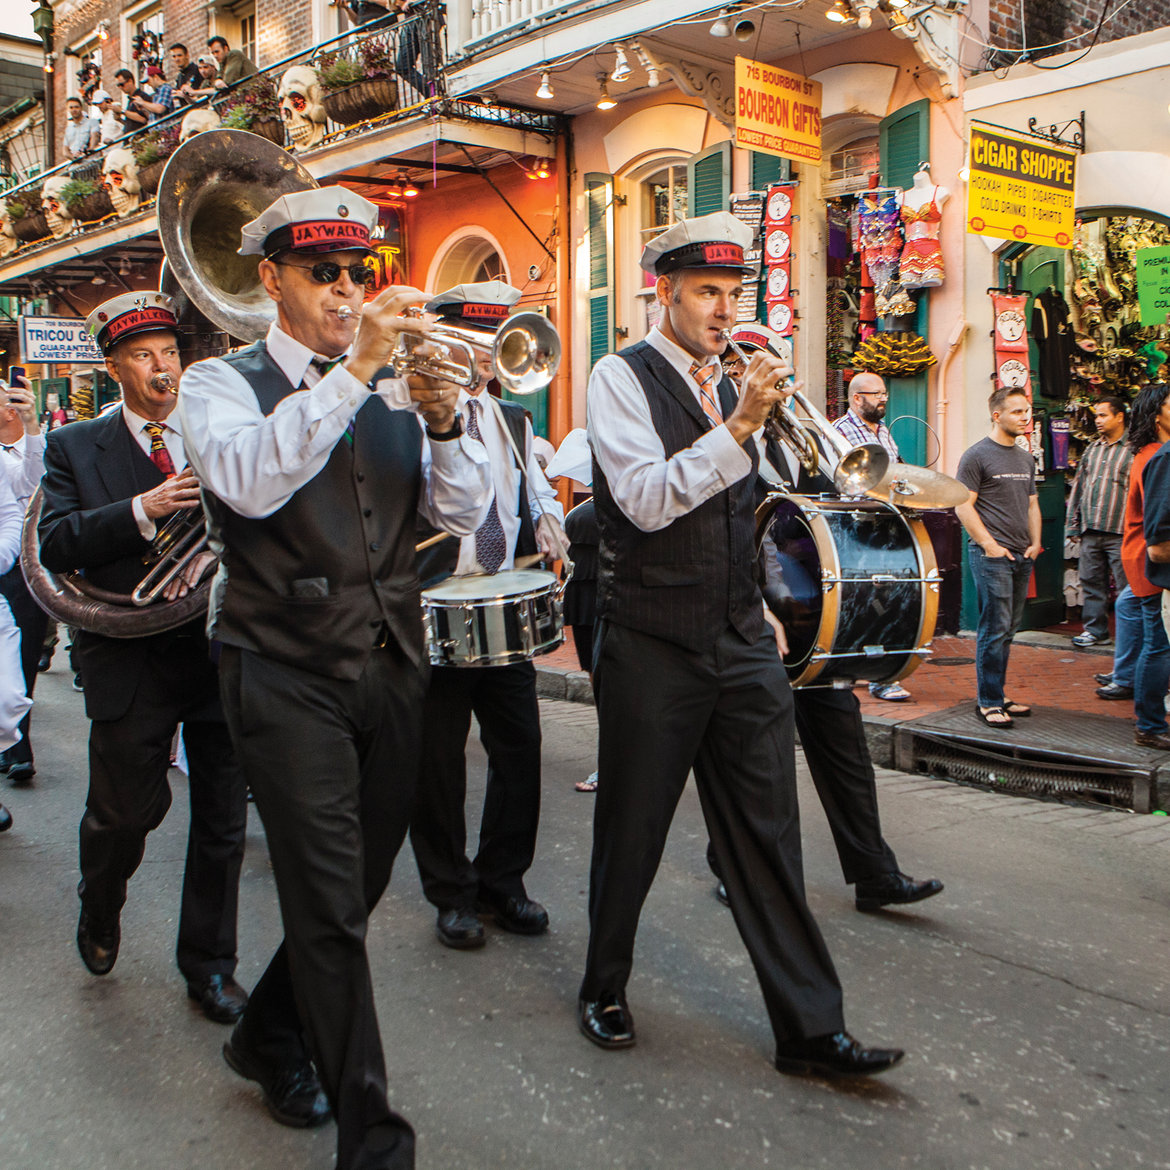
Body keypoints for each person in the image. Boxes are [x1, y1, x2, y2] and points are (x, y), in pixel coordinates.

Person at [178, 186, 491, 1168]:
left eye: (360, 274)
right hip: (281, 669)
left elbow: (467, 511)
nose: (350, 292)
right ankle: (375, 1139)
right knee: (323, 905)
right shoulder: (217, 385)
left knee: (350, 892)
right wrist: (358, 368)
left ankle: (265, 1037)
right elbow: (253, 478)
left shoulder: (398, 379)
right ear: (272, 279)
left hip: (393, 661)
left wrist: (445, 422)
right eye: (326, 275)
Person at [580, 210, 903, 1077]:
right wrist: (738, 428)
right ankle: (603, 982)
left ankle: (809, 1029)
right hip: (652, 639)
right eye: (707, 294)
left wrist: (766, 591)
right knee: (634, 825)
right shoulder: (619, 377)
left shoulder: (735, 384)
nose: (726, 312)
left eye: (734, 294)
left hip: (738, 639)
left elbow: (754, 508)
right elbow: (647, 500)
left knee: (769, 833)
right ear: (666, 294)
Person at [37, 292, 249, 1025]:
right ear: (114, 367)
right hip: (129, 653)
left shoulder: (215, 429)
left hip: (220, 647)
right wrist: (144, 509)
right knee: (123, 814)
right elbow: (57, 543)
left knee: (222, 817)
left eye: (169, 353)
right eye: (143, 356)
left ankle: (210, 967)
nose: (163, 368)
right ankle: (101, 902)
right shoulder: (73, 447)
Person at [719, 323, 944, 911]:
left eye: (773, 366)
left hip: (812, 622)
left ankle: (874, 873)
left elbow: (835, 503)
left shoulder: (804, 439)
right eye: (752, 367)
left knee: (843, 743)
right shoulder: (717, 429)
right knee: (754, 753)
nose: (767, 378)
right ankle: (736, 868)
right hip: (746, 613)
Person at [409, 282, 566, 950]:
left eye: (489, 341)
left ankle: (504, 880)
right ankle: (450, 893)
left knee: (520, 750)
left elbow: (528, 492)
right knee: (436, 760)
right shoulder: (409, 414)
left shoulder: (514, 420)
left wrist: (550, 527)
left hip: (502, 602)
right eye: (470, 340)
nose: (481, 357)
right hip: (437, 603)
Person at [954, 387, 1042, 728]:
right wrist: (989, 544)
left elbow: (1032, 503)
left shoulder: (1024, 457)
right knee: (994, 628)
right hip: (992, 556)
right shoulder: (976, 456)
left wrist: (1035, 543)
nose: (1025, 417)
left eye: (1026, 411)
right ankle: (988, 701)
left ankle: (998, 692)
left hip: (1022, 555)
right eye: (1018, 412)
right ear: (997, 415)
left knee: (1008, 629)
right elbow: (963, 504)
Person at [1098, 386, 1170, 749]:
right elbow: (1157, 523)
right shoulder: (1155, 456)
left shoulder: (1149, 453)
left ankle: (1133, 690)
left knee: (1149, 635)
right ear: (1157, 416)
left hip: (1143, 556)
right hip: (1149, 559)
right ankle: (1150, 723)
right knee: (1158, 643)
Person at [833, 371, 910, 701]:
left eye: (885, 393)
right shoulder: (839, 432)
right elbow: (833, 482)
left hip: (887, 526)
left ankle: (880, 674)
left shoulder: (885, 433)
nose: (883, 399)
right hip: (856, 527)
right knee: (859, 601)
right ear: (856, 398)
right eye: (876, 393)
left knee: (889, 600)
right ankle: (853, 670)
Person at [0, 378, 49, 786]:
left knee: (24, 657)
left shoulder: (37, 442)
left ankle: (17, 743)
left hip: (22, 566)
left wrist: (33, 427)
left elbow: (34, 483)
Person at [1066, 396, 1131, 649]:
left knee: (1127, 588)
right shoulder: (1092, 448)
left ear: (1119, 416)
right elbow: (1079, 487)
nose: (1098, 420)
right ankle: (1096, 631)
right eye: (1096, 416)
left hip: (1121, 531)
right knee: (1092, 583)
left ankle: (1128, 636)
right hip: (1091, 529)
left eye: (1103, 415)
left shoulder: (1133, 449)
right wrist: (1073, 525)